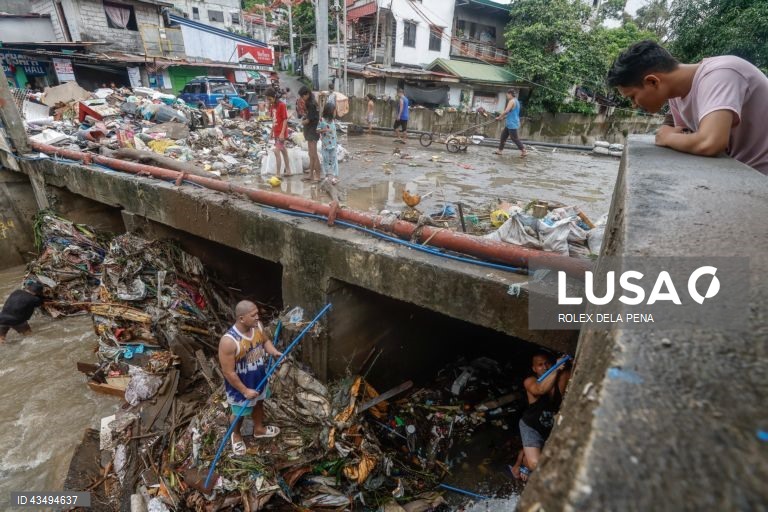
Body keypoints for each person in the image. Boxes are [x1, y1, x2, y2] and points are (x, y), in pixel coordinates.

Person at [607, 40, 768, 175]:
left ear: (652, 81)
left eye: (633, 96)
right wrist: (672, 135)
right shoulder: (677, 96)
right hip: (738, 172)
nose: (634, 105)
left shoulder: (721, 74)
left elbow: (709, 142)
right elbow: (685, 136)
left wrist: (666, 138)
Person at [218, 300, 283, 456]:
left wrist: (274, 352)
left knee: (259, 403)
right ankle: (236, 435)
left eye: (257, 314)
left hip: (259, 378)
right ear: (241, 318)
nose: (257, 317)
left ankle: (259, 429)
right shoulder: (229, 341)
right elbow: (228, 372)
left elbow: (265, 341)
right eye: (253, 315)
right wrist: (245, 390)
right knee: (239, 413)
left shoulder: (258, 326)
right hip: (240, 386)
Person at [509, 352, 571, 481]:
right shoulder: (530, 381)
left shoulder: (561, 378)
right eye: (540, 365)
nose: (545, 367)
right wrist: (555, 369)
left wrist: (566, 362)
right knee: (536, 465)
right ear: (534, 369)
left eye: (547, 363)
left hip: (548, 425)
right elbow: (540, 390)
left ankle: (524, 458)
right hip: (530, 426)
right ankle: (524, 463)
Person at [266, 88, 292, 177]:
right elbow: (274, 120)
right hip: (276, 132)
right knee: (283, 151)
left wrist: (282, 133)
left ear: (274, 97)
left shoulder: (282, 105)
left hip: (281, 133)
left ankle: (278, 173)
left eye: (270, 99)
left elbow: (285, 120)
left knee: (277, 151)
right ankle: (288, 170)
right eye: (268, 99)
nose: (269, 101)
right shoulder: (272, 106)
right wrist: (271, 132)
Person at [495, 88, 527, 158]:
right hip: (510, 122)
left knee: (514, 138)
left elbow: (506, 111)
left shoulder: (511, 101)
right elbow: (511, 113)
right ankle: (500, 150)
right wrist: (503, 117)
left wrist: (499, 117)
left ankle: (523, 150)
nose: (507, 96)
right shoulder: (516, 101)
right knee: (503, 136)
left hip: (512, 123)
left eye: (507, 95)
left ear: (510, 94)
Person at [299, 86, 322, 182]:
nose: (302, 98)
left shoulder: (311, 104)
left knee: (314, 154)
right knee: (310, 153)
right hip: (311, 130)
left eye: (302, 96)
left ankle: (318, 175)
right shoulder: (312, 103)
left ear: (307, 94)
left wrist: (302, 122)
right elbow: (311, 116)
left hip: (312, 131)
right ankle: (311, 175)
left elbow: (309, 120)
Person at [318, 103, 339, 184]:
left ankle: (334, 177)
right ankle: (326, 176)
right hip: (325, 145)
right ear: (330, 111)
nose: (335, 113)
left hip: (333, 144)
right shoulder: (321, 120)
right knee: (325, 160)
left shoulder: (333, 120)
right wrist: (324, 130)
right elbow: (317, 130)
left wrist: (336, 142)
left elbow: (334, 133)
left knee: (334, 161)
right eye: (334, 111)